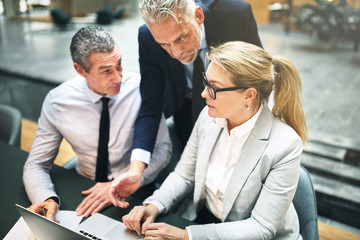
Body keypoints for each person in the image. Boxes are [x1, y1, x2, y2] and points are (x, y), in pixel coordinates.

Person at [110, 41, 309, 239]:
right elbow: (184, 175)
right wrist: (154, 204)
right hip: (207, 222)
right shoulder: (209, 116)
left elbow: (261, 228)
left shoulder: (285, 144)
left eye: (214, 87)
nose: (204, 93)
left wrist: (186, 236)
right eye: (206, 82)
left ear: (249, 95)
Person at [23, 26, 171, 220]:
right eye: (106, 71)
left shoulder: (141, 89)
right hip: (85, 186)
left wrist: (120, 183)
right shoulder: (57, 101)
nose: (118, 77)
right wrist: (46, 199)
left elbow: (163, 149)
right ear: (80, 70)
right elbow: (36, 164)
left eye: (119, 64)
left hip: (136, 189)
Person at [132, 0, 263, 168]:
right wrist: (136, 169)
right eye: (164, 45)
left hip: (236, 110)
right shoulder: (147, 37)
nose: (176, 53)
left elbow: (260, 78)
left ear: (199, 16)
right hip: (186, 110)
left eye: (180, 38)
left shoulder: (235, 15)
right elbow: (150, 106)